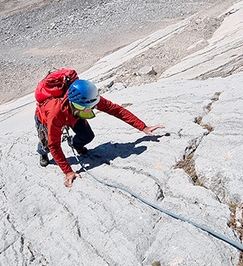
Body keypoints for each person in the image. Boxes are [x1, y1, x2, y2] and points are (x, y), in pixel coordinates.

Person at [35, 78, 164, 186]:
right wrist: (68, 171)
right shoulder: (55, 113)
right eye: (90, 108)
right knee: (47, 146)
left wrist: (143, 127)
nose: (93, 109)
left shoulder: (89, 99)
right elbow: (55, 145)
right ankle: (42, 153)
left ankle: (76, 145)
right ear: (77, 104)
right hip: (47, 120)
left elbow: (116, 110)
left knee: (87, 135)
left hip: (75, 114)